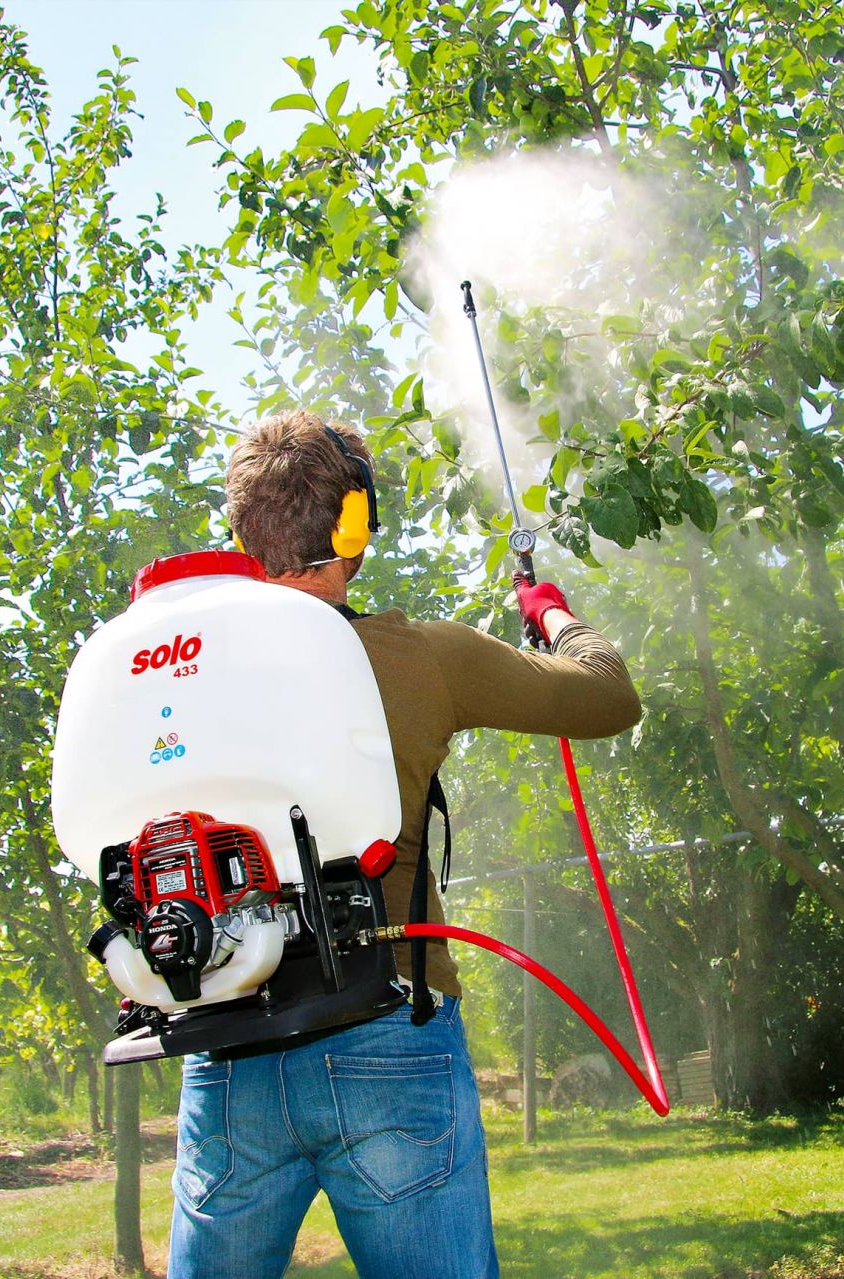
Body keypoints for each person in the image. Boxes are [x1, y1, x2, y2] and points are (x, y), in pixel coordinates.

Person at [167, 408, 641, 1279]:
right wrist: (551, 612)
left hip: (230, 1053)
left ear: (242, 531)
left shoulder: (179, 673)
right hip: (388, 1035)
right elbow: (609, 696)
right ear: (356, 525)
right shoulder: (423, 658)